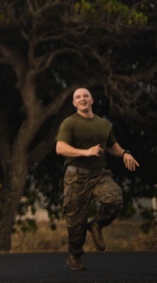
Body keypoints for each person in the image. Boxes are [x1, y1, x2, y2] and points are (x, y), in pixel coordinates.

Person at [55, 87, 139, 271]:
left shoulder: (103, 124)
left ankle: (96, 225)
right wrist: (85, 152)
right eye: (78, 97)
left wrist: (124, 153)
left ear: (92, 100)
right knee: (76, 222)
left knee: (114, 199)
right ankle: (75, 256)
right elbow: (60, 148)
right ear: (74, 103)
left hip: (99, 175)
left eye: (86, 96)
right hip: (76, 177)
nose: (82, 99)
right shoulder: (70, 123)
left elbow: (112, 145)